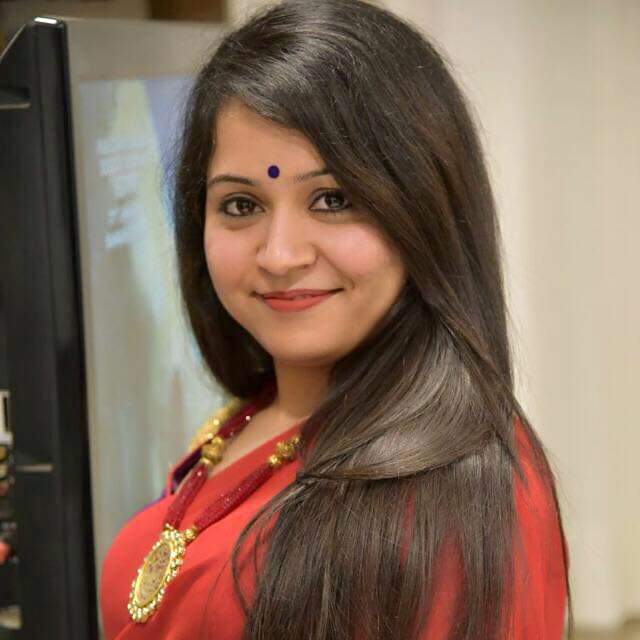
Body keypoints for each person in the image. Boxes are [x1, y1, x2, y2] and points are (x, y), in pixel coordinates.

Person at [99, 0, 572, 638]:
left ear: (423, 211)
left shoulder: (455, 502)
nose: (280, 256)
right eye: (241, 204)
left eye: (332, 199)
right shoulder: (258, 415)